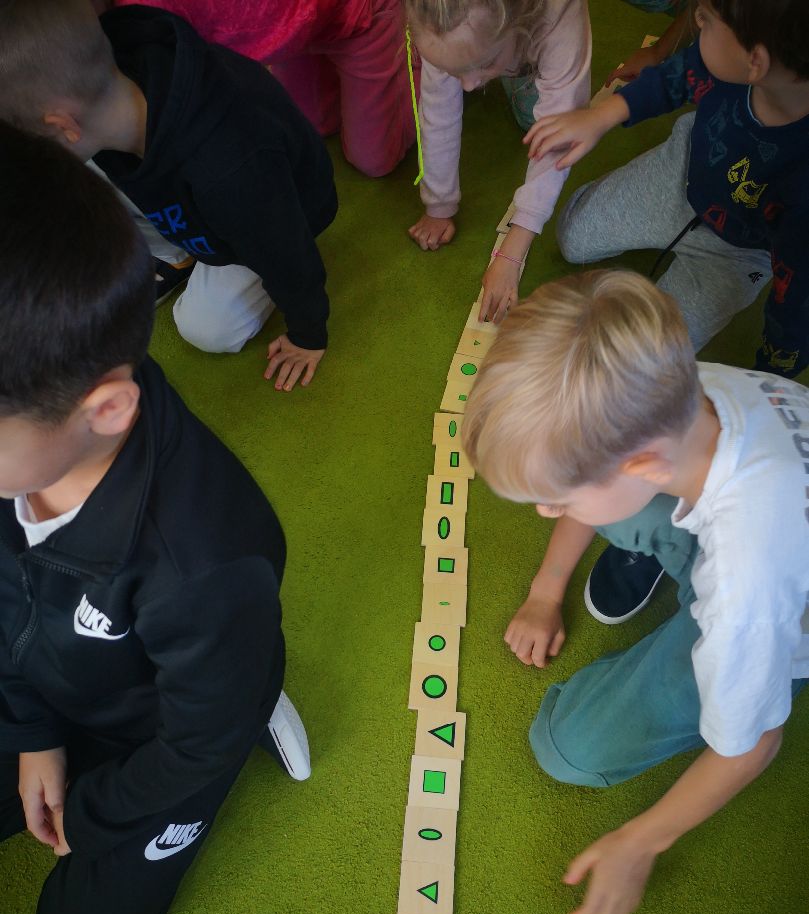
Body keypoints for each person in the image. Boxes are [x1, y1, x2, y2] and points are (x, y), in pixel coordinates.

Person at [0, 121, 310, 914]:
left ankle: (258, 700)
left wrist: (94, 809)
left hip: (171, 728)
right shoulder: (33, 438)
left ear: (104, 410)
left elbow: (191, 744)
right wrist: (33, 735)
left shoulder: (205, 567)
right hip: (58, 676)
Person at [462, 269, 809, 914]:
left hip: (780, 611)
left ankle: (683, 603)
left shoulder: (745, 588)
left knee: (568, 747)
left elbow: (754, 742)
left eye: (555, 501)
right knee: (610, 502)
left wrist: (641, 840)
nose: (545, 512)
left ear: (644, 467)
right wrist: (544, 589)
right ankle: (658, 548)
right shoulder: (674, 387)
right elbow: (599, 474)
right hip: (758, 524)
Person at [522, 0, 809, 623]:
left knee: (644, 371)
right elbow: (680, 75)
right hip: (681, 176)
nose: (695, 25)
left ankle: (654, 535)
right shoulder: (729, 64)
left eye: (706, 21)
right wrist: (601, 115)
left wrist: (773, 374)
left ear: (757, 62)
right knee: (572, 237)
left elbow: (799, 290)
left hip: (737, 254)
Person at [0, 0, 339, 392]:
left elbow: (287, 255)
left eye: (30, 141)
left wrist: (307, 333)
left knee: (207, 329)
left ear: (63, 125)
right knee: (78, 172)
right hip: (197, 194)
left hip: (277, 216)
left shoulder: (229, 172)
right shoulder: (106, 85)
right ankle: (178, 255)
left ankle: (190, 252)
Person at [405, 0, 591, 323]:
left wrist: (511, 252)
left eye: (483, 64)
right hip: (501, 38)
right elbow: (438, 113)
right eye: (454, 71)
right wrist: (439, 203)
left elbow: (559, 133)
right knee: (466, 67)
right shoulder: (436, 19)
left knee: (536, 120)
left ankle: (503, 62)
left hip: (535, 36)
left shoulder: (559, 18)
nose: (469, 85)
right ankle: (488, 61)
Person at [106, 0, 417, 179]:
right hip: (297, 37)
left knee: (375, 162)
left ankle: (422, 46)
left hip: (361, 18)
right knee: (314, 125)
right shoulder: (140, 18)